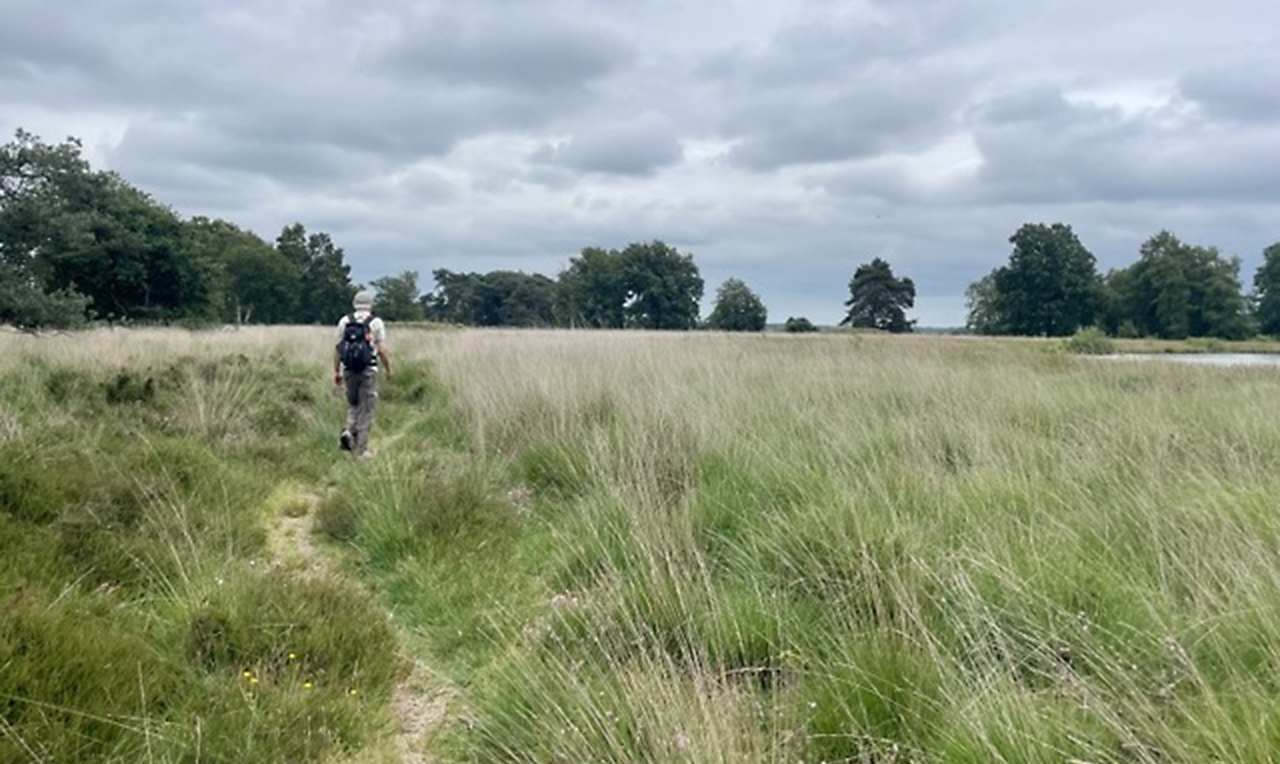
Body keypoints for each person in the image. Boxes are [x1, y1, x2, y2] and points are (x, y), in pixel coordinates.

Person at [334, 291, 391, 457]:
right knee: (367, 408)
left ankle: (348, 431)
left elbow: (338, 349)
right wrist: (388, 368)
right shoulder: (376, 322)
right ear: (371, 304)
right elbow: (381, 350)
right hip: (369, 370)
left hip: (349, 370)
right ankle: (361, 450)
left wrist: (336, 371)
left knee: (353, 404)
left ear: (354, 303)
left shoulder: (345, 321)